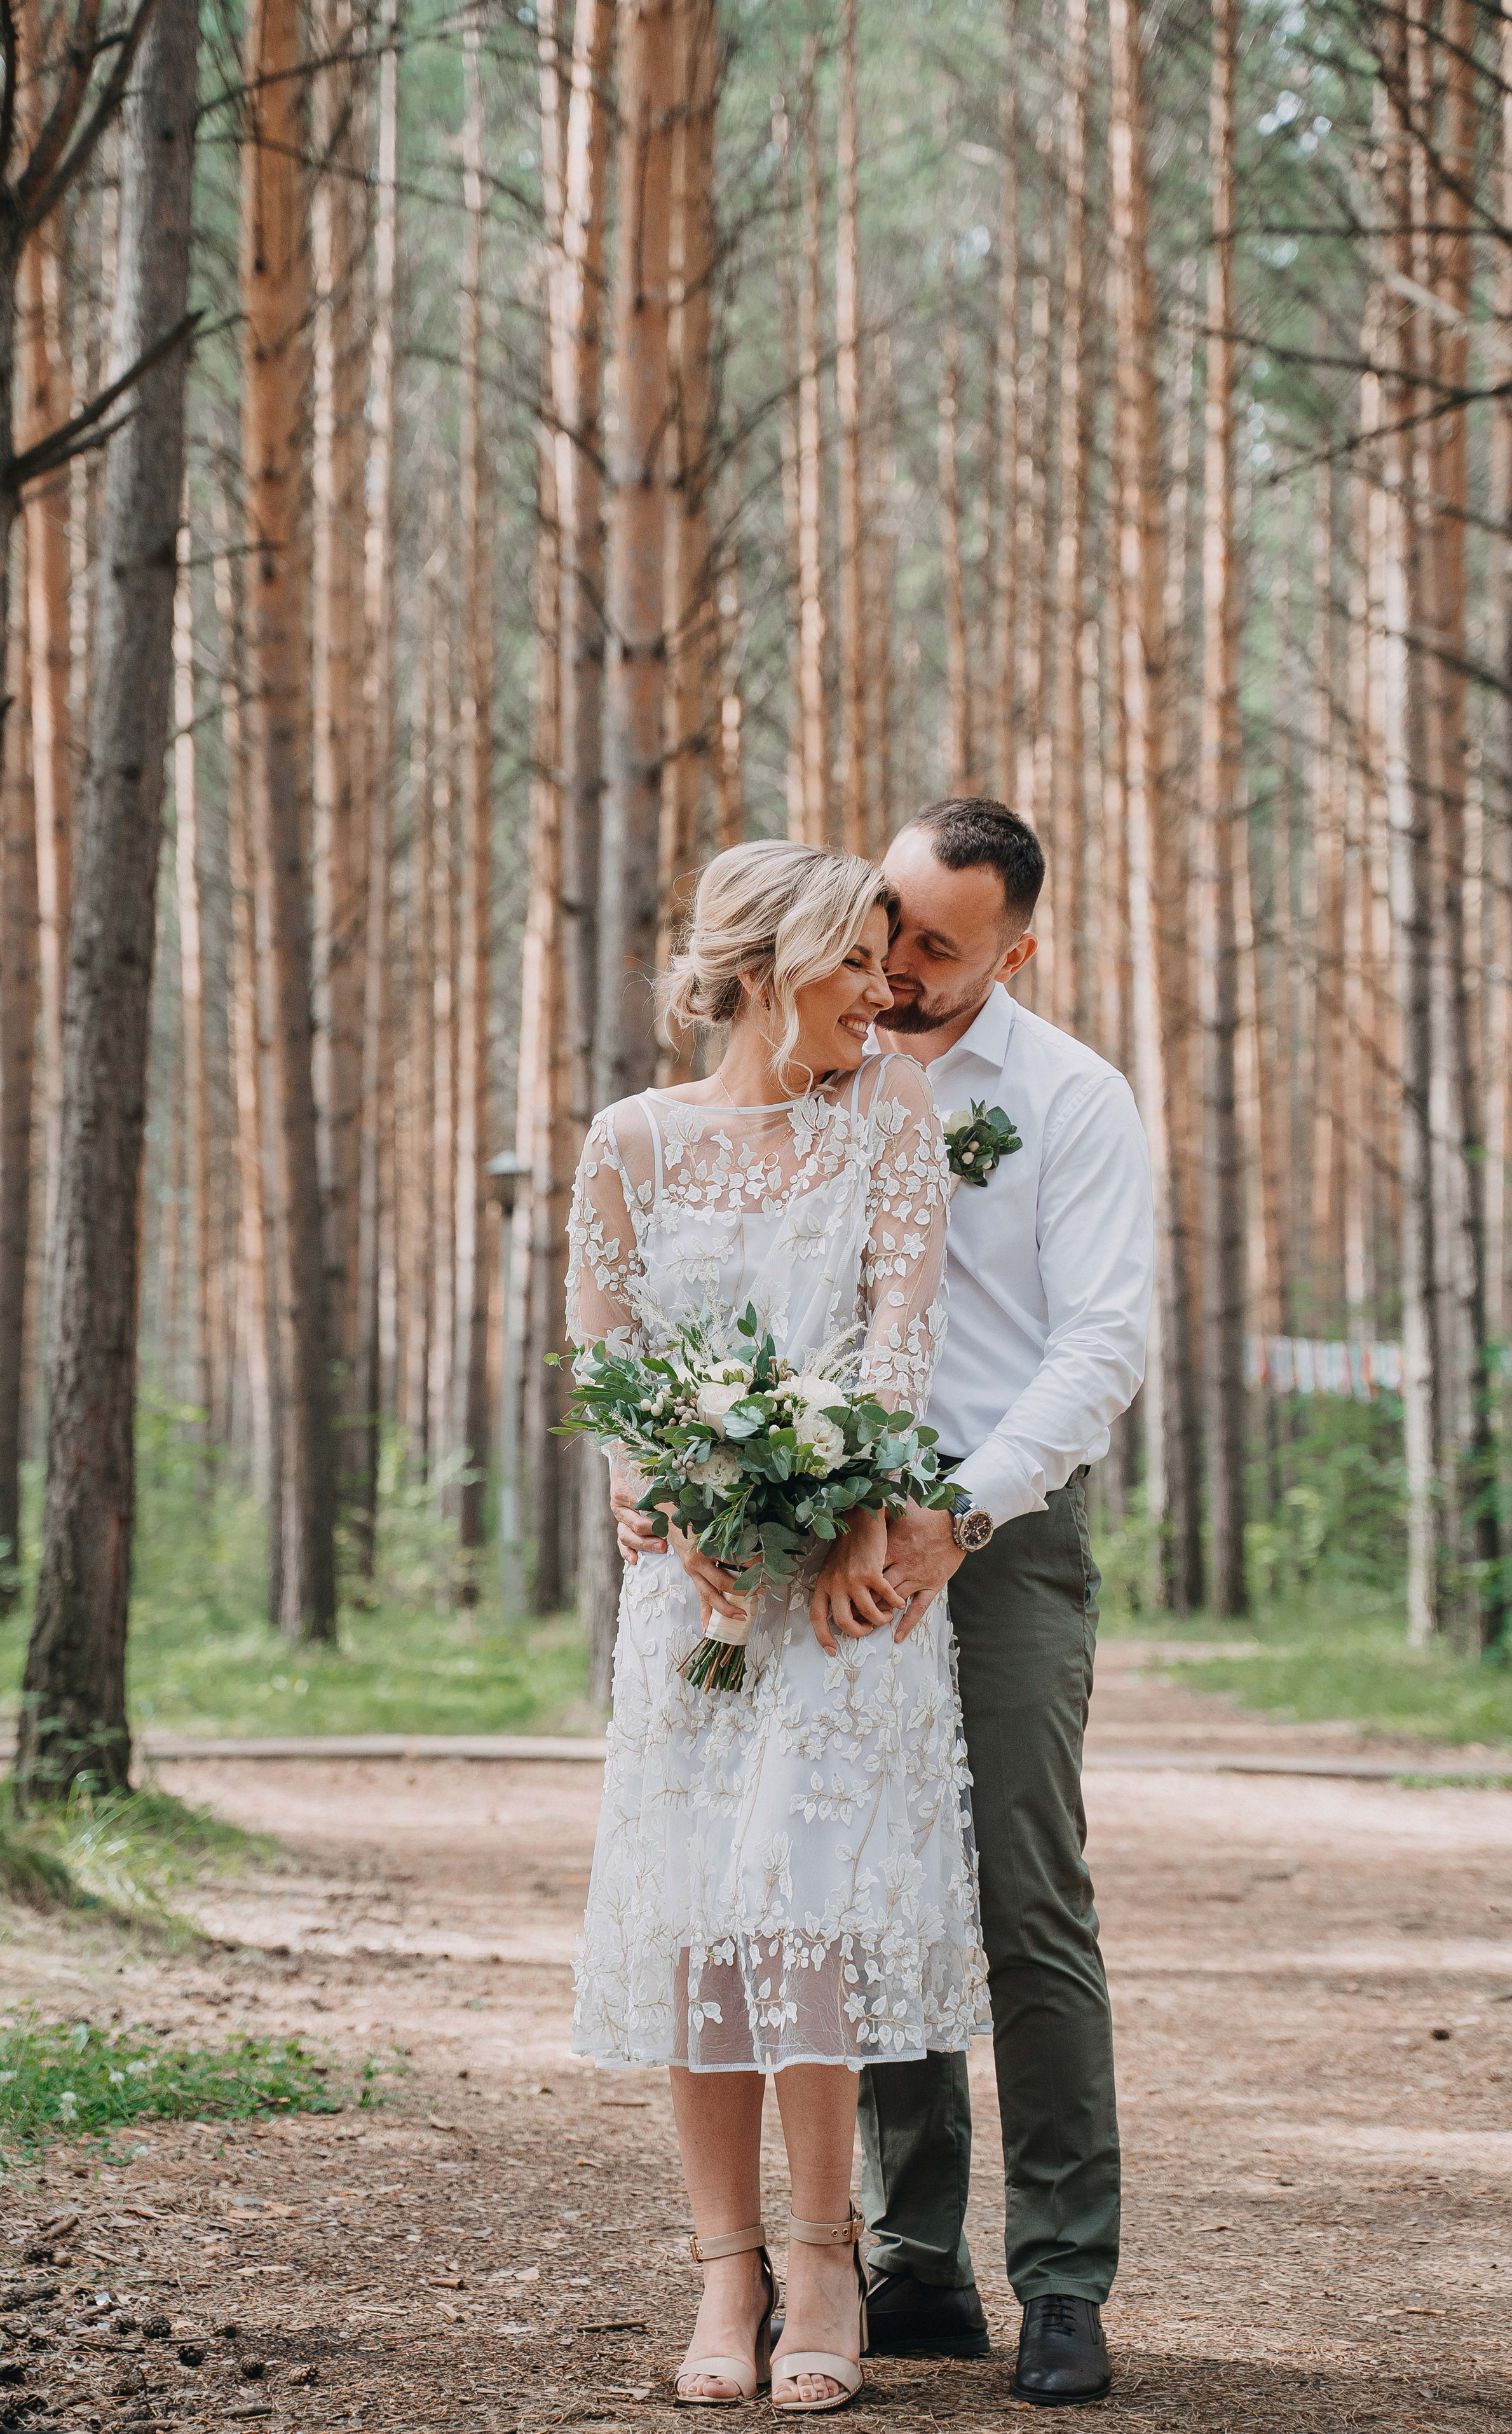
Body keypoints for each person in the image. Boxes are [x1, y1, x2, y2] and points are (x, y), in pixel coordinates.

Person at [616, 800, 1153, 2409]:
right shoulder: (815, 1061)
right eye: (883, 933)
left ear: (1012, 951)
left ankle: (1060, 2271)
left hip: (987, 1527)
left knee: (1018, 1893)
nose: (900, 970)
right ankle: (911, 2258)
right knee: (852, 1883)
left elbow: (1096, 1344)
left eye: (935, 946)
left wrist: (948, 1514)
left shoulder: (1067, 1099)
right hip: (798, 1542)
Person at [568, 839, 991, 2414]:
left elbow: (899, 1332)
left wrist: (848, 1512)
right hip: (696, 1602)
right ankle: (721, 2267)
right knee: (698, 1922)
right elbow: (608, 1369)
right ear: (770, 966)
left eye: (895, 967)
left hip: (839, 1592)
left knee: (801, 1917)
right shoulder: (630, 1143)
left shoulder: (888, 1112)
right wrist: (654, 1507)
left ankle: (825, 2257)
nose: (885, 995)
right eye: (858, 966)